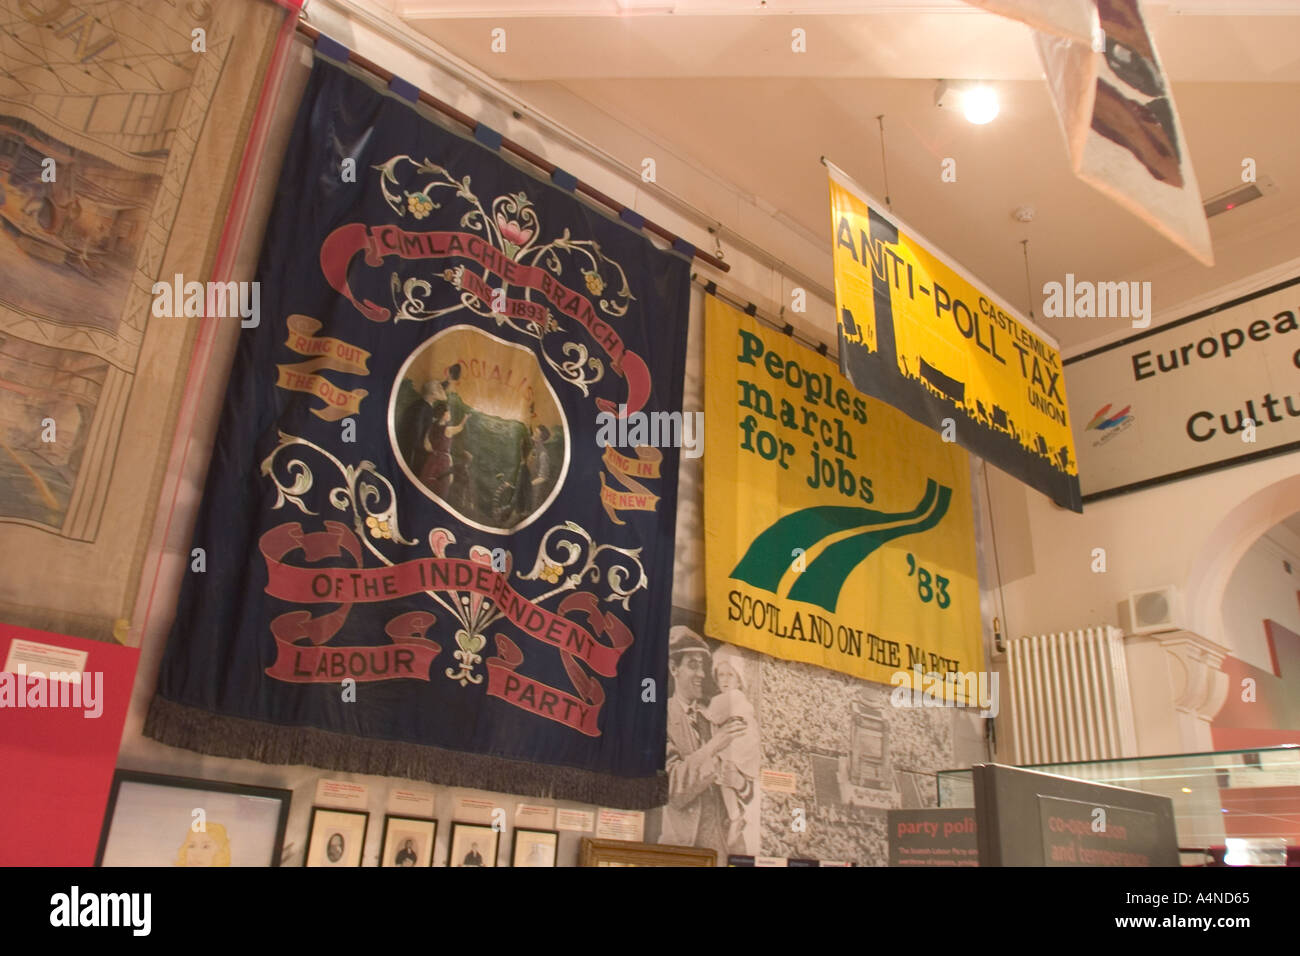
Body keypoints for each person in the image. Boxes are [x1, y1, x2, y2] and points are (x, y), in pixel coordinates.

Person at [660, 627, 749, 855]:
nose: (701, 673)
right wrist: (713, 746)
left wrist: (739, 781)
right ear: (673, 668)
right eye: (693, 665)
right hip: (681, 852)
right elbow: (672, 789)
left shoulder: (713, 715)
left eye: (702, 666)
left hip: (722, 849)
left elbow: (746, 785)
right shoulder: (659, 718)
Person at [705, 645, 759, 853]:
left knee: (724, 776)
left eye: (730, 675)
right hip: (742, 751)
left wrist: (703, 710)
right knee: (725, 779)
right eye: (721, 675)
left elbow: (713, 716)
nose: (725, 680)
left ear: (738, 678)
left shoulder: (727, 698)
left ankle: (735, 816)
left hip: (739, 750)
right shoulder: (738, 699)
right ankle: (735, 817)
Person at [418, 400, 466, 498]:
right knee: (440, 489)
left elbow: (427, 446)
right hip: (443, 461)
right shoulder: (448, 429)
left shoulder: (432, 427)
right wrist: (465, 418)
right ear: (444, 414)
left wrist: (435, 452)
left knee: (426, 484)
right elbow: (460, 427)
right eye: (448, 412)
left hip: (432, 459)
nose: (450, 414)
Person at [397, 380, 442, 476]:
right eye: (438, 389)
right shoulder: (422, 408)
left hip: (414, 449)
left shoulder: (424, 406)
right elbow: (415, 433)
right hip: (411, 452)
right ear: (433, 393)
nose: (441, 391)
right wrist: (425, 448)